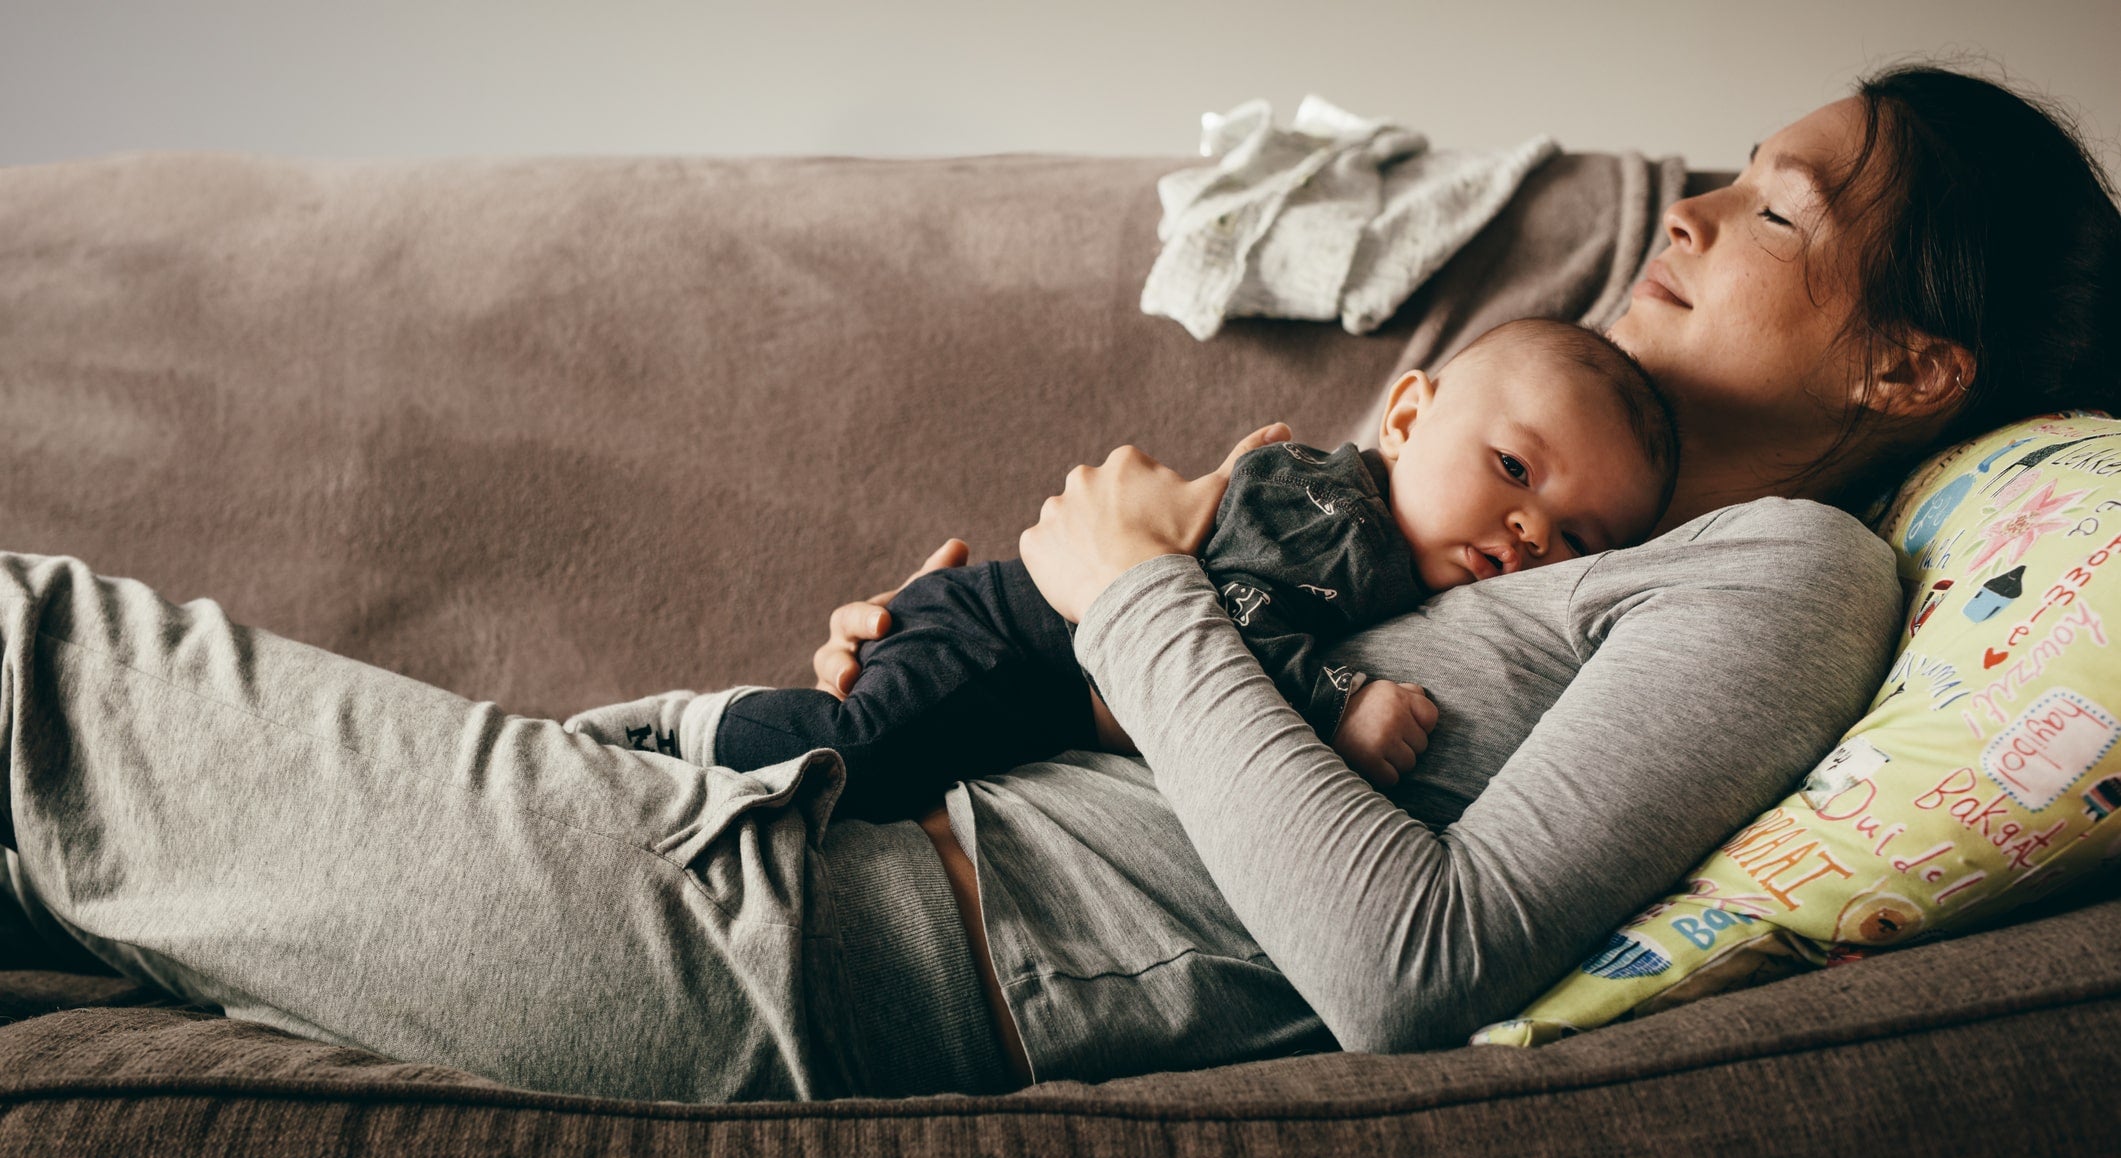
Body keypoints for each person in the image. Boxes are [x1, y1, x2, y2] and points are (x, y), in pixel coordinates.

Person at [6, 65, 2117, 1105]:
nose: (1692, 207)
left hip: (802, 946)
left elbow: (1408, 962)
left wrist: (1122, 598)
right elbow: (1189, 732)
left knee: (31, 653)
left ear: (1902, 367)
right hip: (775, 829)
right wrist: (972, 659)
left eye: (1777, 206)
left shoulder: (1786, 579)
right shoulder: (1553, 517)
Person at [562, 318, 1678, 818]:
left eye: (1579, 537)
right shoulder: (1339, 519)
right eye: (1513, 466)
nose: (1532, 532)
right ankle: (673, 734)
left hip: (1042, 679)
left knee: (878, 793)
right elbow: (1228, 616)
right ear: (1404, 410)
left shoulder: (1390, 558)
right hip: (1014, 640)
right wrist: (1340, 702)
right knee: (862, 756)